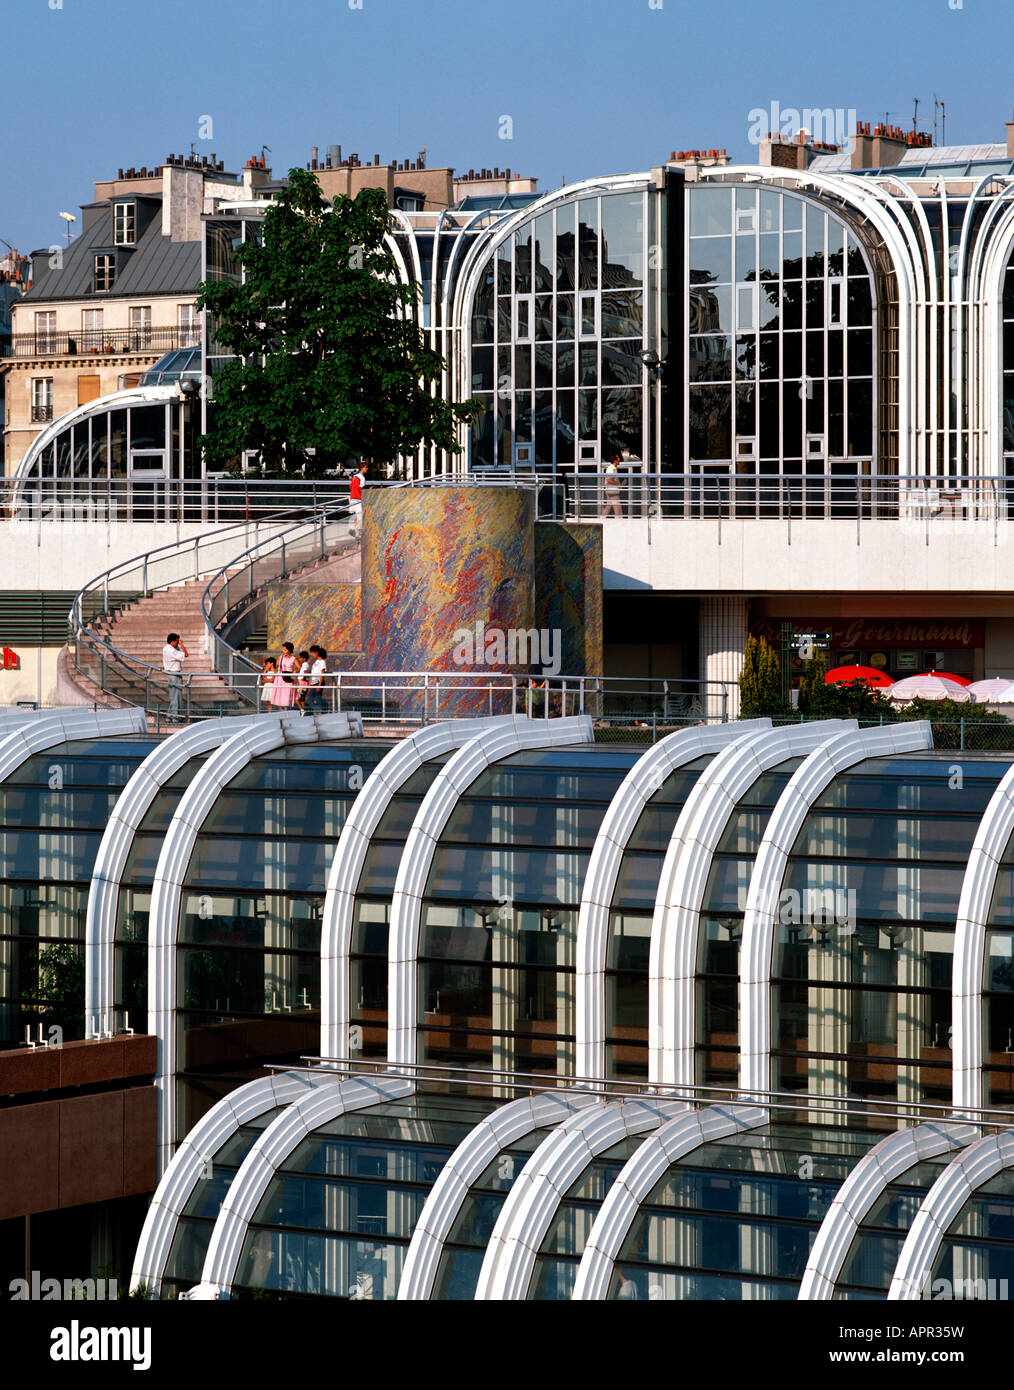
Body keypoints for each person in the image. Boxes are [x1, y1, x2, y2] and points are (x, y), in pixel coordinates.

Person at [162, 632, 188, 721]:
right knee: (176, 696)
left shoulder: (166, 648)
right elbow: (186, 654)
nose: (178, 643)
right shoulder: (171, 650)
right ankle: (174, 717)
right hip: (174, 674)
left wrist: (179, 645)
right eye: (176, 642)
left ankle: (170, 716)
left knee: (174, 696)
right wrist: (182, 645)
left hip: (171, 673)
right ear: (172, 641)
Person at [270, 641, 298, 709]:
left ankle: (287, 710)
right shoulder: (281, 657)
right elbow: (275, 666)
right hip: (280, 678)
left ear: (289, 650)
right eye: (283, 649)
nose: (283, 651)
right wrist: (271, 669)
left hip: (287, 677)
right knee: (279, 695)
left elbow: (299, 667)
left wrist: (295, 671)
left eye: (285, 650)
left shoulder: (293, 658)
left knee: (287, 694)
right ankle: (281, 711)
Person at [306, 644, 328, 714]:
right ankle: (320, 711)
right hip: (313, 683)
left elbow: (322, 674)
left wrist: (319, 685)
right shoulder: (315, 662)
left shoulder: (322, 662)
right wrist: (310, 684)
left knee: (314, 699)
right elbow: (312, 674)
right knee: (314, 699)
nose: (312, 654)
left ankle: (320, 711)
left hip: (318, 682)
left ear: (317, 652)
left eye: (313, 653)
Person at [602, 454, 624, 520]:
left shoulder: (613, 468)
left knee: (608, 507)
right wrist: (618, 484)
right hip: (612, 491)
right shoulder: (611, 468)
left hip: (611, 491)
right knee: (617, 507)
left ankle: (602, 519)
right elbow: (609, 479)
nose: (619, 460)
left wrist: (618, 485)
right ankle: (619, 520)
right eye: (618, 459)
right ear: (615, 460)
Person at [349, 463, 367, 538]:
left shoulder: (354, 477)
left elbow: (351, 487)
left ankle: (352, 529)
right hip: (358, 500)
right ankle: (358, 534)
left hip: (352, 499)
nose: (367, 469)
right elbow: (361, 490)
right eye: (366, 467)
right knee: (361, 518)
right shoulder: (362, 478)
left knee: (358, 516)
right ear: (362, 468)